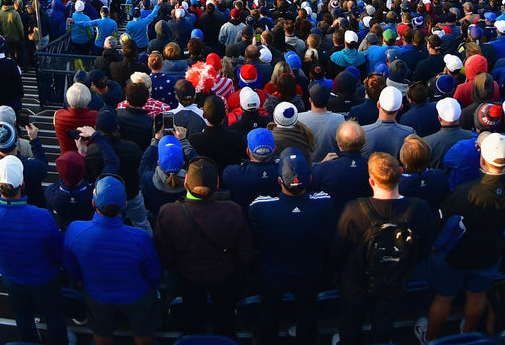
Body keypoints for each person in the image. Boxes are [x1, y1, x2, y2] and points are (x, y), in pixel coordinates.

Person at [419, 132, 505, 343]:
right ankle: (467, 335)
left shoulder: (463, 194)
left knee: (444, 298)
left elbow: (441, 227)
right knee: (477, 295)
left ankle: (430, 338)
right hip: (490, 253)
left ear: (482, 159)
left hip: (457, 256)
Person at [331, 151, 438, 345]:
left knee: (351, 319)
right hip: (396, 277)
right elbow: (425, 246)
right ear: (400, 172)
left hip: (356, 280)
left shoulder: (352, 209)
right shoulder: (420, 208)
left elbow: (338, 249)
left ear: (371, 182)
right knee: (385, 318)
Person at [0, 156, 70, 345]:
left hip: (11, 276)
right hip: (45, 278)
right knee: (54, 316)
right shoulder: (42, 216)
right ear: (23, 185)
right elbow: (57, 250)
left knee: (22, 314)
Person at [154, 157, 255, 333]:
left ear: (185, 183)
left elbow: (164, 254)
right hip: (224, 278)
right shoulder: (232, 210)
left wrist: (178, 270)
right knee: (225, 324)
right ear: (217, 184)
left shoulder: (168, 213)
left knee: (193, 324)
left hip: (187, 279)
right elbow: (245, 253)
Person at [248, 148, 334, 345]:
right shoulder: (323, 203)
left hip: (273, 273)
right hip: (309, 272)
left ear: (279, 181)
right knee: (307, 313)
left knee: (269, 315)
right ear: (310, 179)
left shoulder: (260, 207)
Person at [63, 176, 163, 345]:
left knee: (102, 331)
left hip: (97, 294)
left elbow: (70, 265)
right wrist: (153, 287)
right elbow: (153, 272)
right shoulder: (139, 237)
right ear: (125, 204)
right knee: (143, 330)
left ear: (94, 203)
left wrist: (81, 282)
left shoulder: (75, 230)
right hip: (136, 295)